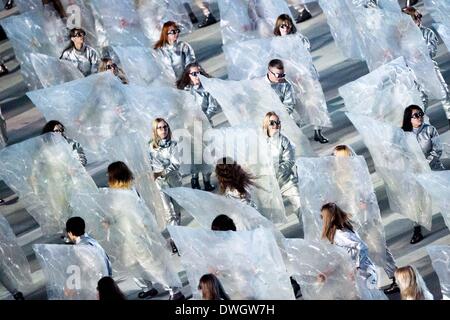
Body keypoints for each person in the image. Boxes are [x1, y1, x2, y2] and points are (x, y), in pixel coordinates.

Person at [332, 144, 400, 294]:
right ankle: (369, 283)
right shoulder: (337, 176)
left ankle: (397, 278)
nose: (334, 159)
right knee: (359, 252)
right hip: (351, 219)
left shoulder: (356, 172)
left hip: (366, 218)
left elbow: (367, 193)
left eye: (337, 156)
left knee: (379, 248)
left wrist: (364, 203)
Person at [272, 21, 329, 144]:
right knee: (295, 107)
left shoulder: (298, 38)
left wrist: (307, 73)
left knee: (314, 104)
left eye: (288, 25)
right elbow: (278, 62)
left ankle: (317, 131)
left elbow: (305, 56)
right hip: (290, 79)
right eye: (282, 26)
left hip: (305, 76)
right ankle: (295, 136)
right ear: (278, 27)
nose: (286, 28)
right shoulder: (276, 44)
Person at [401, 105, 445, 244]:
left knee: (444, 196)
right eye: (415, 115)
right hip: (416, 173)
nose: (419, 116)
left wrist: (425, 162)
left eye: (420, 113)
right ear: (409, 118)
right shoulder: (403, 135)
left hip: (434, 169)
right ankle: (417, 230)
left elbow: (438, 149)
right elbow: (401, 154)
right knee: (417, 203)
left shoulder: (430, 129)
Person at [403, 7, 450, 127]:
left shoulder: (427, 32)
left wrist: (422, 53)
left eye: (418, 17)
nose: (418, 20)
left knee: (444, 93)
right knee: (421, 98)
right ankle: (416, 124)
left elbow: (432, 49)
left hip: (430, 69)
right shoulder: (402, 37)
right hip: (413, 71)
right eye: (414, 19)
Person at [176, 62, 219, 191]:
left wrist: (203, 117)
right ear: (188, 75)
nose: (197, 76)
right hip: (190, 126)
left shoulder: (207, 88)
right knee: (194, 154)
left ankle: (206, 180)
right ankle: (194, 179)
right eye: (194, 74)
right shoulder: (184, 90)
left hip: (206, 125)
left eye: (199, 73)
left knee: (208, 153)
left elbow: (213, 106)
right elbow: (181, 108)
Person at [266, 59, 328, 144]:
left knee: (313, 107)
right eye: (278, 75)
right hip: (278, 104)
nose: (280, 77)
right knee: (294, 118)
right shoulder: (265, 82)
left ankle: (317, 132)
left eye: (282, 75)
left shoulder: (287, 77)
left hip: (296, 90)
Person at [320, 203, 378, 289]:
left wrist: (356, 268)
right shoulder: (340, 231)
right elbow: (342, 255)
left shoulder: (341, 234)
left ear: (327, 218)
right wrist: (328, 272)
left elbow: (362, 247)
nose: (322, 219)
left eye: (322, 217)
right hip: (362, 272)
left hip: (363, 274)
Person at [262, 112, 301, 220]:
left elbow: (289, 161)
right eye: (272, 123)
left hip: (286, 180)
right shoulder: (260, 141)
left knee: (300, 204)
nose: (276, 125)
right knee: (263, 214)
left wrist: (275, 170)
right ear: (266, 124)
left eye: (278, 122)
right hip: (267, 184)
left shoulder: (284, 140)